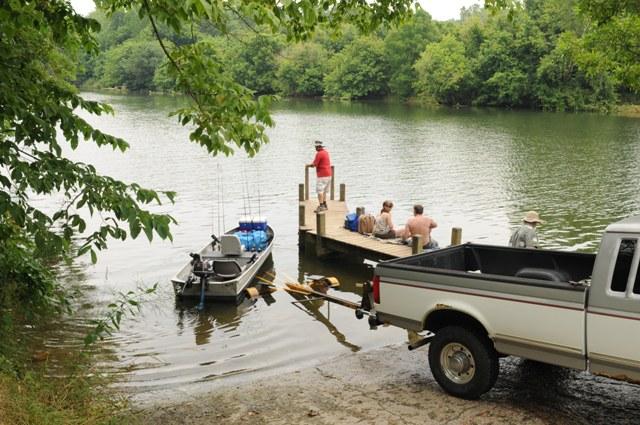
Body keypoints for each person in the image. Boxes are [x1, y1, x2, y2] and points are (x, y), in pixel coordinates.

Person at [307, 140, 332, 212]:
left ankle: (321, 206)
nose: (315, 148)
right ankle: (324, 204)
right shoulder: (326, 152)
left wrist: (307, 165)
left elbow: (314, 164)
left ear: (318, 147)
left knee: (320, 191)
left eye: (316, 147)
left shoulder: (319, 154)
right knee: (324, 191)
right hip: (329, 174)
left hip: (322, 175)